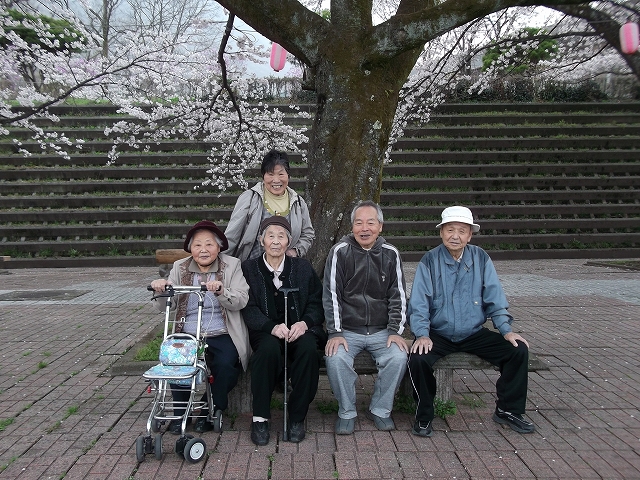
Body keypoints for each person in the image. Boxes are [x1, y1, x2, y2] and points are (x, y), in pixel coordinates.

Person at [407, 205, 534, 437]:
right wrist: (422, 333)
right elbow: (419, 303)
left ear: (470, 235)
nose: (455, 236)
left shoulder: (481, 258)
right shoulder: (430, 260)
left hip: (473, 333)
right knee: (417, 359)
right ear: (441, 232)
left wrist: (506, 330)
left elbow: (494, 296)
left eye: (462, 231)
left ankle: (508, 410)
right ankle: (424, 415)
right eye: (450, 230)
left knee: (517, 350)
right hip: (439, 333)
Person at [150, 220, 251, 434]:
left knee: (226, 365)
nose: (203, 250)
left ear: (219, 247)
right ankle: (180, 412)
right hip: (187, 332)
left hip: (222, 331)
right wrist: (161, 290)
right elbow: (165, 306)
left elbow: (241, 300)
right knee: (177, 360)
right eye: (197, 245)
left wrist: (222, 291)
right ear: (190, 248)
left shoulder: (232, 265)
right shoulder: (180, 267)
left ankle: (209, 408)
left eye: (209, 244)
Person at [323, 200, 409, 435]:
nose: (364, 228)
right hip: (348, 330)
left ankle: (381, 410)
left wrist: (395, 330)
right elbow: (331, 294)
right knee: (335, 358)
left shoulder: (391, 254)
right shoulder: (340, 252)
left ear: (380, 226)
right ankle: (347, 411)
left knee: (398, 356)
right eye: (359, 223)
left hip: (382, 330)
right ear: (352, 227)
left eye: (370, 223)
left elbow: (398, 296)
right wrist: (336, 331)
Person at [241, 216, 326, 445]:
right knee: (266, 352)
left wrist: (305, 323)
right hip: (266, 331)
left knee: (309, 349)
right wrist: (272, 327)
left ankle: (297, 417)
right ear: (262, 240)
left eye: (281, 236)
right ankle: (260, 418)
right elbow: (247, 306)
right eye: (271, 236)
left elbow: (317, 302)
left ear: (289, 242)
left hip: (298, 328)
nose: (276, 241)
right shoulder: (248, 269)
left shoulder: (303, 267)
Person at [224, 149, 315, 262]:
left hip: (284, 271)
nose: (276, 180)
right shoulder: (250, 198)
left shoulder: (298, 203)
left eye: (281, 174)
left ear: (288, 175)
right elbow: (232, 235)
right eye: (270, 174)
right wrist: (222, 263)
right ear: (263, 176)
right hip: (250, 269)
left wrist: (295, 251)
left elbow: (308, 234)